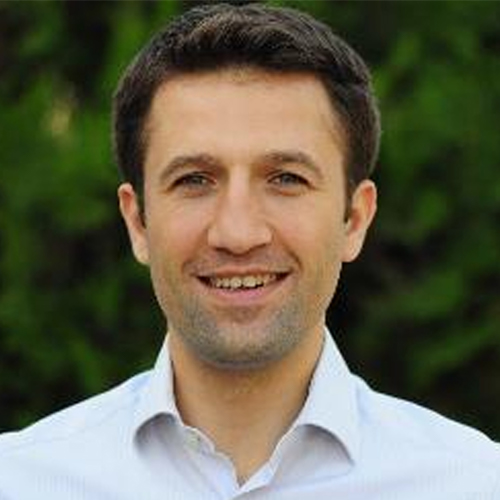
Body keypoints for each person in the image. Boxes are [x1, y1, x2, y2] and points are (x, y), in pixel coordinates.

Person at [0, 3, 498, 499]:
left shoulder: (474, 483)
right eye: (194, 180)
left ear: (354, 219)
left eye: (286, 179)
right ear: (138, 222)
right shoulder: (20, 481)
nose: (238, 234)